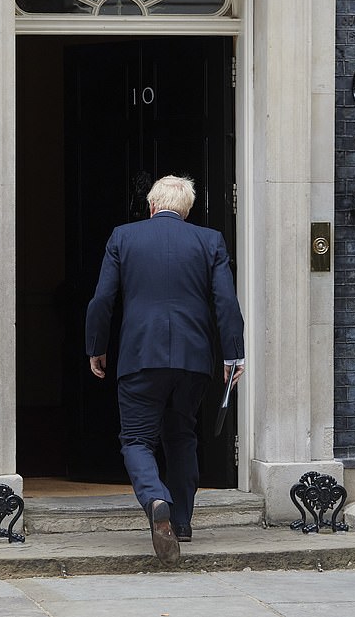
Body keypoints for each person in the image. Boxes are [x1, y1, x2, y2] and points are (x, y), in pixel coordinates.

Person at [85, 175, 245, 566]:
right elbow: (226, 301)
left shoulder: (123, 237)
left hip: (140, 356)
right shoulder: (209, 241)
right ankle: (183, 522)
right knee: (182, 435)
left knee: (137, 440)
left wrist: (96, 347)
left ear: (152, 206)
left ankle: (156, 499)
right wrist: (233, 356)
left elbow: (103, 298)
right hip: (193, 360)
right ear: (186, 210)